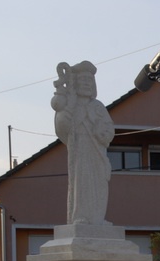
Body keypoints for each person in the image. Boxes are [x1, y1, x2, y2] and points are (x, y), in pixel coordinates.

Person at [52, 60, 115, 225]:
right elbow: (62, 127)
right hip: (80, 149)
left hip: (97, 151)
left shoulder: (98, 106)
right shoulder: (71, 105)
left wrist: (101, 131)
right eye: (82, 80)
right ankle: (81, 216)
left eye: (89, 80)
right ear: (75, 83)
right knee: (82, 183)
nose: (86, 83)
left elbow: (109, 129)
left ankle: (98, 218)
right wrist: (70, 109)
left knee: (100, 183)